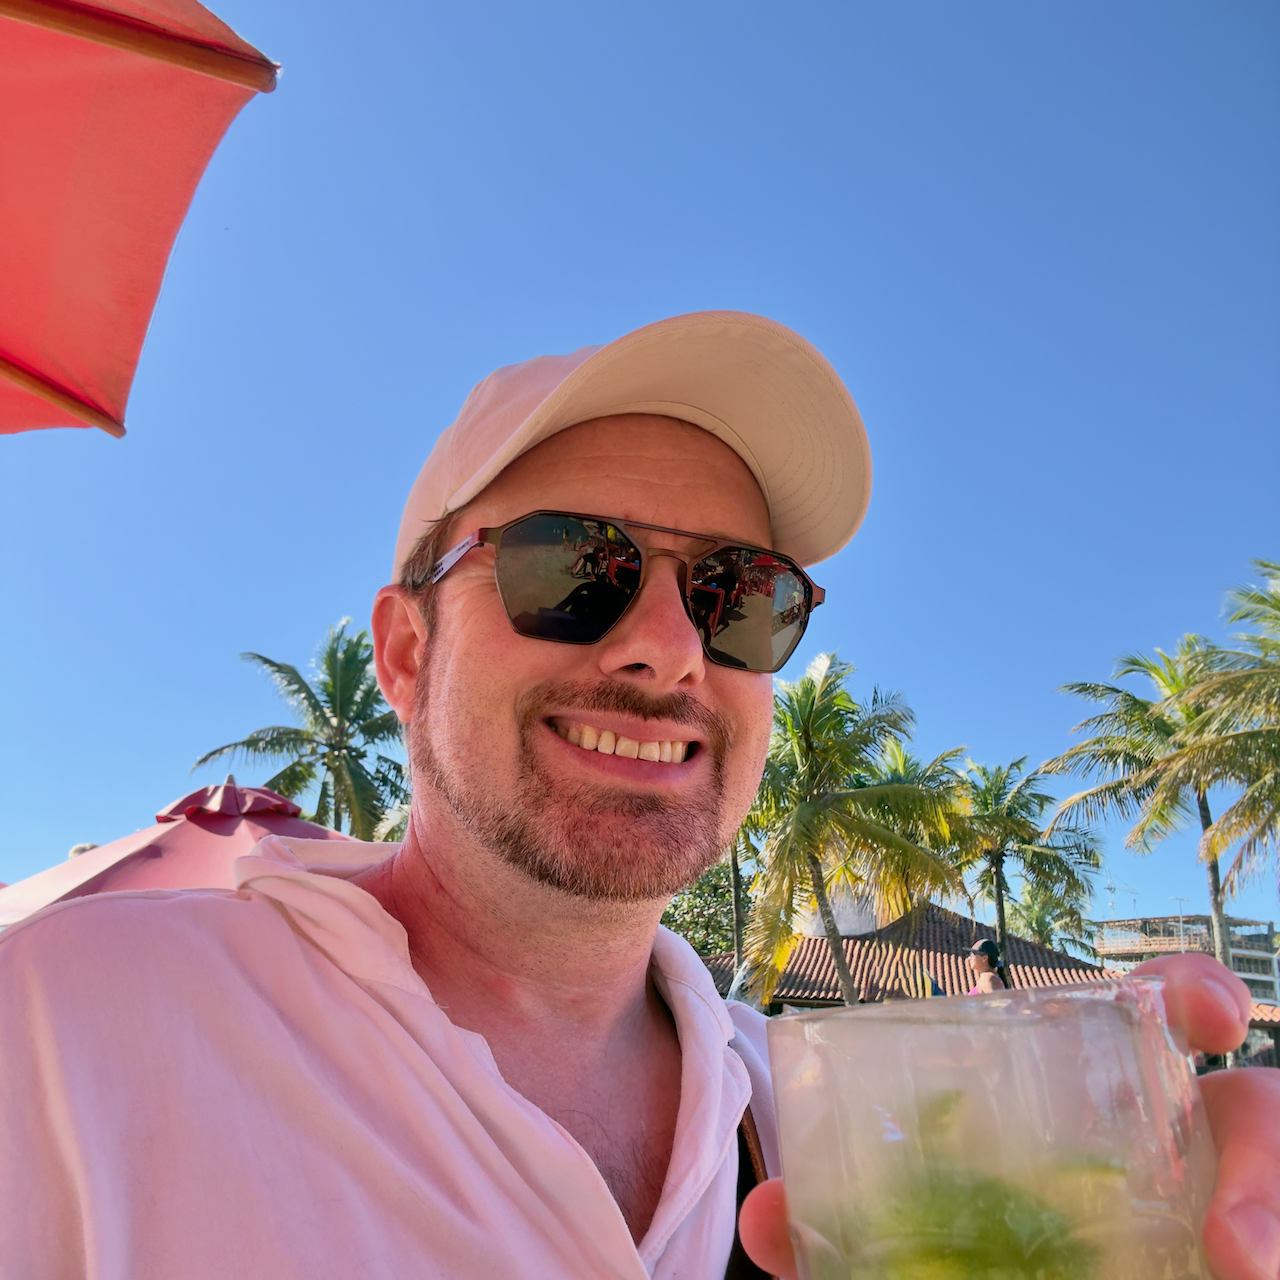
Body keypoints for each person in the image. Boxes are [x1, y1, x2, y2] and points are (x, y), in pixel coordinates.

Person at [0, 311, 1277, 1280]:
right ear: (403, 651)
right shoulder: (64, 1023)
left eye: (738, 594)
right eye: (572, 566)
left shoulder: (832, 1135)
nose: (668, 649)